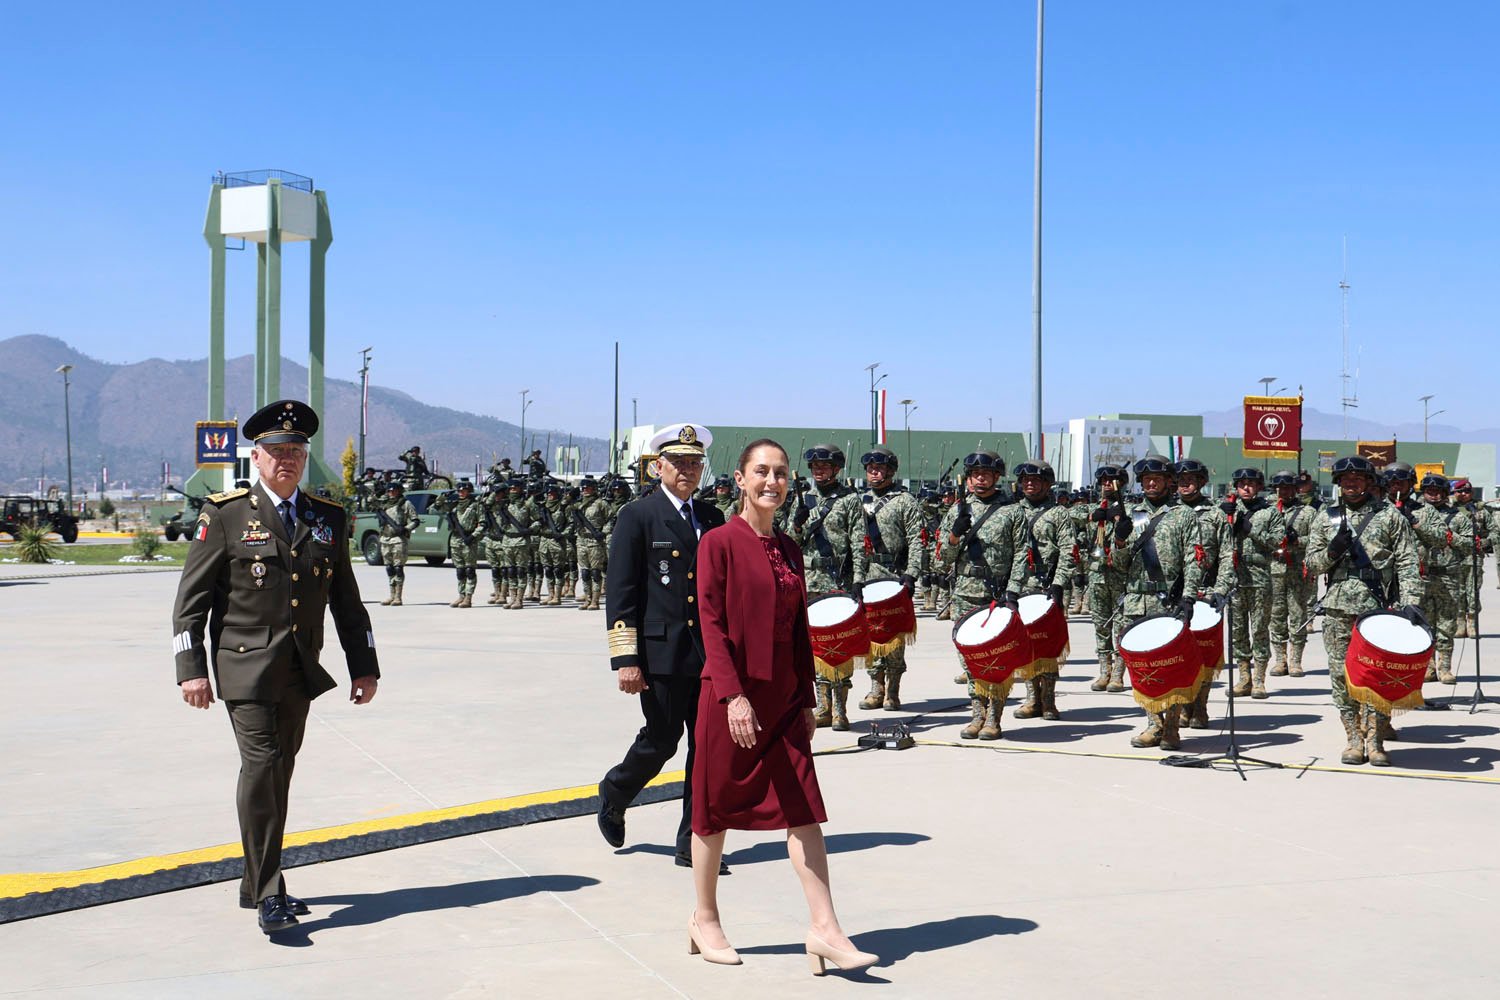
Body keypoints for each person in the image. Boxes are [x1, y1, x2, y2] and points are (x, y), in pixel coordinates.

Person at [171, 399, 379, 935]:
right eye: (277, 451)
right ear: (257, 457)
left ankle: (253, 882)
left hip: (299, 668)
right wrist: (190, 669)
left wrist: (365, 666)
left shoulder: (326, 517)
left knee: (279, 772)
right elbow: (190, 604)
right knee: (263, 767)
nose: (287, 459)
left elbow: (347, 602)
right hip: (243, 668)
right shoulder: (225, 514)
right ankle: (269, 892)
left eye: (296, 451)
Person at [689, 438, 876, 974]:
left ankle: (825, 929)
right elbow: (711, 625)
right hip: (732, 697)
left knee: (804, 810)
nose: (772, 481)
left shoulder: (790, 548)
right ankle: (704, 918)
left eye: (780, 473)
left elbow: (798, 630)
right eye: (761, 472)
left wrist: (807, 698)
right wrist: (733, 696)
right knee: (715, 811)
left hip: (785, 699)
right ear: (740, 479)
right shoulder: (719, 543)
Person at [597, 423, 728, 871]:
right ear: (659, 467)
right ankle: (616, 790)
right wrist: (626, 658)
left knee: (707, 750)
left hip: (708, 654)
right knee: (662, 740)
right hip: (661, 653)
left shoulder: (712, 517)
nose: (687, 470)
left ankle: (694, 842)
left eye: (694, 463)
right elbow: (621, 592)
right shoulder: (638, 515)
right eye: (678, 462)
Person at [1304, 456, 1422, 766]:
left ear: (1369, 482)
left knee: (1377, 675)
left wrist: (1411, 602)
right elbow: (1311, 564)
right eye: (1345, 479)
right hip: (1337, 608)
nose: (1351, 483)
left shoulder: (1388, 515)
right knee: (1341, 675)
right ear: (1338, 483)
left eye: (1358, 478)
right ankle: (1354, 739)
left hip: (1378, 609)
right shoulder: (1325, 517)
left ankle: (1375, 739)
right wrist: (1332, 550)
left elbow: (1407, 561)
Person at [785, 444, 867, 730]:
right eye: (815, 467)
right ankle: (823, 706)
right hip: (809, 580)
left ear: (836, 469)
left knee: (839, 644)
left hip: (837, 579)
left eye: (824, 466)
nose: (819, 471)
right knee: (816, 647)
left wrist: (858, 579)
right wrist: (797, 525)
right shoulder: (803, 498)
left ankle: (840, 709)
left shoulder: (849, 500)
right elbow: (790, 542)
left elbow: (858, 542)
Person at [939, 450, 1017, 739]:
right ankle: (977, 714)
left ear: (996, 477)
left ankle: (994, 717)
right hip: (965, 593)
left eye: (986, 474)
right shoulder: (957, 511)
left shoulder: (1011, 511)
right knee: (970, 659)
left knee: (996, 658)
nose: (980, 478)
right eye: (975, 474)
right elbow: (941, 558)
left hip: (997, 594)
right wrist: (954, 535)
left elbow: (1022, 553)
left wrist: (1013, 590)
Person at [856, 446, 923, 712]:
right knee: (871, 634)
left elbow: (917, 540)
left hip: (895, 576)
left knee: (894, 636)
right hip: (868, 576)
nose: (874, 472)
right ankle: (876, 688)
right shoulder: (858, 501)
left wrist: (911, 573)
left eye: (880, 468)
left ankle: (892, 690)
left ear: (891, 471)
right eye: (870, 468)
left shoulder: (905, 501)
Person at [1005, 460, 1073, 720]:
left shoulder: (1059, 514)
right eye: (1026, 480)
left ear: (1047, 484)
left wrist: (1058, 583)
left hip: (1047, 586)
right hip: (1019, 586)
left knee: (1048, 644)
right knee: (1025, 645)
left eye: (1036, 480)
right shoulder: (1011, 511)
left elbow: (1069, 551)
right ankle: (1032, 698)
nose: (1030, 484)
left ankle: (1049, 699)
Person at [1223, 468, 1285, 699]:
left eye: (1251, 484)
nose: (1246, 488)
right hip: (1235, 577)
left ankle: (1259, 679)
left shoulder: (1270, 513)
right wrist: (1224, 517)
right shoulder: (1229, 510)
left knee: (1259, 629)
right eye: (1242, 484)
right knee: (1238, 630)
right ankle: (1244, 678)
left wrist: (1250, 529)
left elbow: (1278, 541)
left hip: (1259, 576)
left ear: (1259, 487)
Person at [1410, 474, 1473, 685]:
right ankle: (1428, 667)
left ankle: (1445, 667)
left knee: (1447, 623)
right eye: (1429, 491)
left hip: (1448, 576)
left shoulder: (1458, 518)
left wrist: (1450, 538)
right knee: (1423, 623)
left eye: (1438, 491)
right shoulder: (1414, 514)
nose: (1433, 495)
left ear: (1445, 493)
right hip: (1423, 576)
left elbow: (1470, 545)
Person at [1268, 471, 1318, 677]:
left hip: (1297, 571)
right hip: (1274, 571)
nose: (1284, 492)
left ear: (1296, 489)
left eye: (1288, 488)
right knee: (1276, 617)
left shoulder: (1308, 513)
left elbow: (1317, 539)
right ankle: (1280, 660)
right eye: (1280, 488)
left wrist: (1298, 541)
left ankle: (1296, 660)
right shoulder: (1269, 511)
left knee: (1298, 616)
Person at [433, 479, 484, 608]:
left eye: (464, 490)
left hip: (469, 539)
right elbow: (435, 508)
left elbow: (483, 524)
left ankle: (468, 597)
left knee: (470, 570)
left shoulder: (476, 505)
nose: (461, 493)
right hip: (455, 539)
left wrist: (473, 536)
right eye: (459, 491)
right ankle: (461, 595)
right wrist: (442, 497)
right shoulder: (453, 505)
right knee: (460, 570)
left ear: (469, 491)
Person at [1452, 479, 1490, 637]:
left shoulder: (1481, 511)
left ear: (1472, 493)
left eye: (1467, 491)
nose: (1463, 494)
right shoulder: (1448, 509)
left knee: (1473, 591)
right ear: (1454, 493)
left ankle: (1472, 623)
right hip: (1453, 558)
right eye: (1460, 491)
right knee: (1457, 591)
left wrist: (1485, 542)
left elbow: (1494, 531)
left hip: (1474, 558)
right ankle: (1460, 623)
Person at [376, 480, 420, 606]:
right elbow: (370, 501)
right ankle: (391, 595)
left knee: (398, 568)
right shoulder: (384, 503)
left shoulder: (405, 503)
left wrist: (406, 529)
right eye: (389, 491)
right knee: (389, 568)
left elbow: (415, 520)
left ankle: (398, 597)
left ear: (399, 491)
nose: (391, 493)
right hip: (385, 539)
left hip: (398, 540)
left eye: (394, 490)